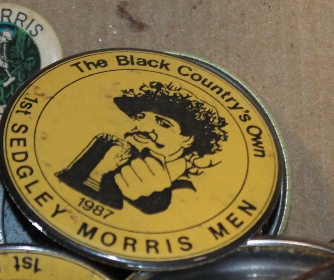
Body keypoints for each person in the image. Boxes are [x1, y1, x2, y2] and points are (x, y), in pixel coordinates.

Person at [56, 81, 228, 214]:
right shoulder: (111, 154)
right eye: (140, 117)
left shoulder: (187, 193)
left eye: (163, 123)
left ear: (187, 139)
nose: (143, 127)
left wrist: (155, 201)